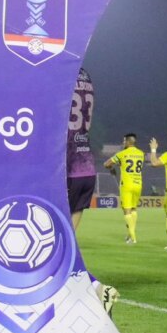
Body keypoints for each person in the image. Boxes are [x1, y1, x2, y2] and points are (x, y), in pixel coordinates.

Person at [67, 67, 97, 229]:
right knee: (77, 210)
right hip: (87, 165)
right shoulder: (87, 76)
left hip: (68, 164)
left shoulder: (64, 73)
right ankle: (69, 244)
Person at [104, 134, 145, 244]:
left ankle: (133, 237)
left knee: (126, 210)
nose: (123, 143)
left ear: (128, 142)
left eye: (123, 141)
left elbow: (107, 164)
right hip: (138, 183)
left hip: (126, 184)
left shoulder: (122, 154)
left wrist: (111, 168)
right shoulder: (141, 153)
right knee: (134, 209)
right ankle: (129, 234)